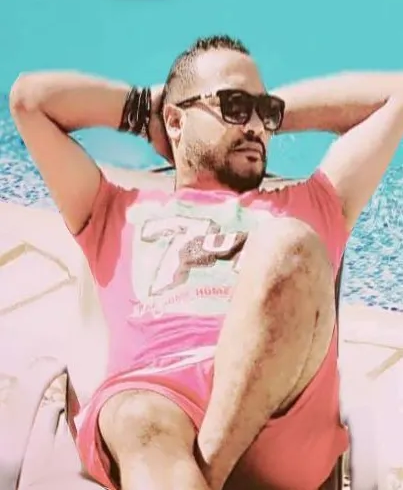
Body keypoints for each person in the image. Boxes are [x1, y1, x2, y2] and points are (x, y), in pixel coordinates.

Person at [9, 35, 403, 490]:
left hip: (276, 417)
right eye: (235, 106)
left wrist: (256, 114)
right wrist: (149, 109)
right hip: (155, 414)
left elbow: (396, 94)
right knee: (138, 413)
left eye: (264, 112)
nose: (255, 126)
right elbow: (29, 100)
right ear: (174, 121)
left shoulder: (310, 204)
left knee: (291, 244)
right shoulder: (113, 210)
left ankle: (206, 474)